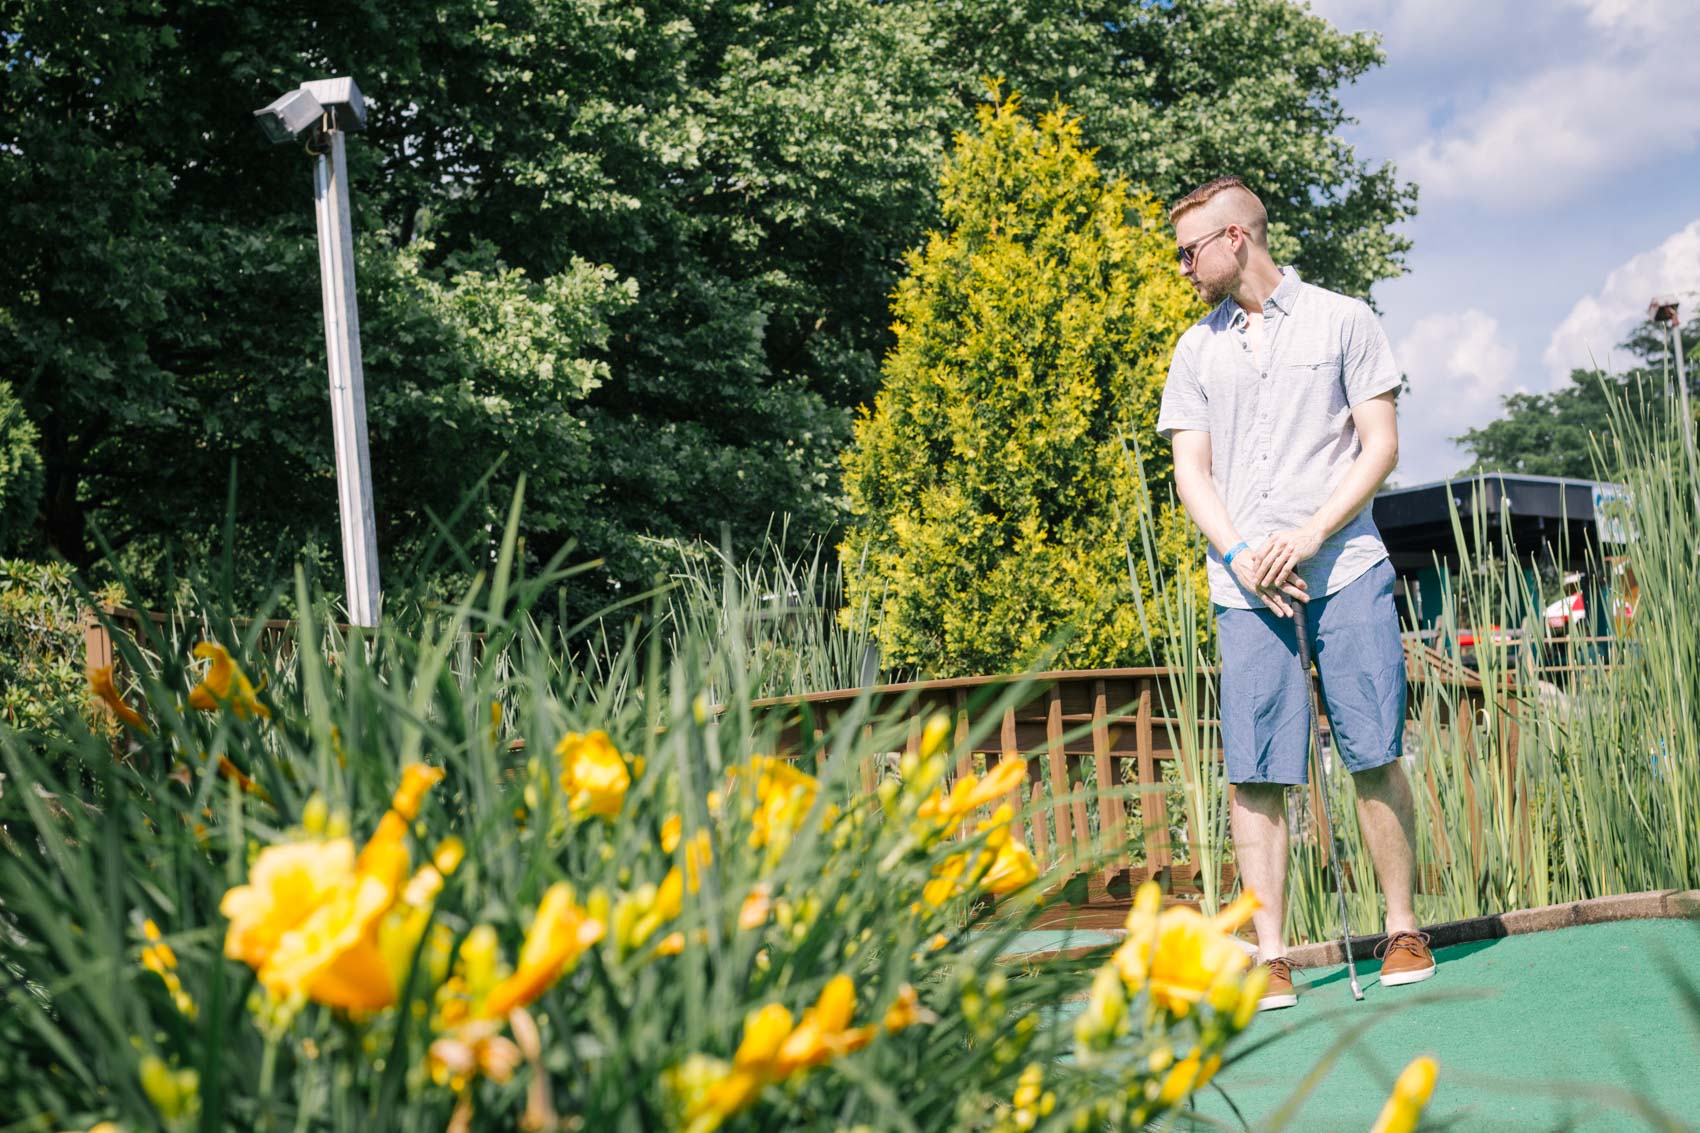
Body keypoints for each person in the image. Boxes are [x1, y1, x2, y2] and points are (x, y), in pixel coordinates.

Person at [1154, 175, 1435, 1010]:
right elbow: (1190, 471)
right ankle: (1271, 952)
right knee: (1256, 767)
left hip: (1344, 567)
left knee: (1374, 748)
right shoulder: (1195, 349)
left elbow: (1379, 446)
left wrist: (1309, 536)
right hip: (1247, 588)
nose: (1181, 267)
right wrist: (1241, 552)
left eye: (1189, 249)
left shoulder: (1345, 319)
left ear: (1236, 238)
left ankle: (1401, 925)